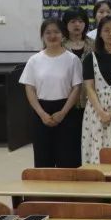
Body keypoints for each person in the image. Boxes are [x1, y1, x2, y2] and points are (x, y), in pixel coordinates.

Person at [20, 19, 83, 168]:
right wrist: (42, 114)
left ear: (63, 35)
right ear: (42, 36)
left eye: (56, 32)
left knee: (68, 158)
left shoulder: (72, 59)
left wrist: (63, 112)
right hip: (41, 112)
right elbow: (29, 88)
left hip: (66, 112)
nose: (52, 36)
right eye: (48, 32)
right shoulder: (34, 60)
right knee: (43, 158)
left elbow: (76, 88)